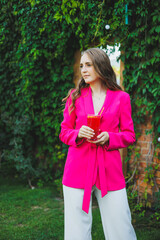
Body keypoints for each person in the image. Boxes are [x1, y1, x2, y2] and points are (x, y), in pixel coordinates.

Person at [59, 48, 137, 240]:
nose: (84, 70)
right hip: (77, 167)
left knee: (121, 226)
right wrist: (78, 134)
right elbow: (64, 132)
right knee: (76, 229)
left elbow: (129, 135)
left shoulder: (121, 98)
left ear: (101, 66)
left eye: (89, 65)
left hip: (109, 169)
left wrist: (110, 137)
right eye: (81, 66)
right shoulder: (74, 96)